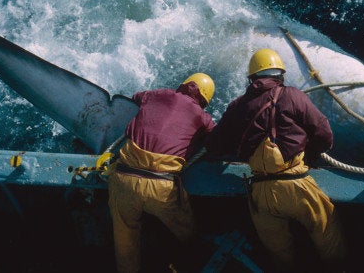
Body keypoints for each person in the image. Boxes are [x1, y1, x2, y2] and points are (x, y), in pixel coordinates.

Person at [205, 49, 345, 272]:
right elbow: (324, 133)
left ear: (252, 79)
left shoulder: (236, 107)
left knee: (279, 251)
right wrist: (311, 155)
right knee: (326, 232)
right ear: (280, 75)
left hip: (261, 192)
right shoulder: (292, 95)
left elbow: (214, 146)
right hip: (298, 185)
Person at [107, 73, 216, 273]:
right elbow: (216, 138)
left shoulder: (156, 94)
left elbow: (136, 97)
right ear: (204, 100)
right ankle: (192, 262)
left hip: (124, 179)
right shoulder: (202, 116)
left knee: (124, 242)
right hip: (162, 188)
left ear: (182, 86)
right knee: (188, 233)